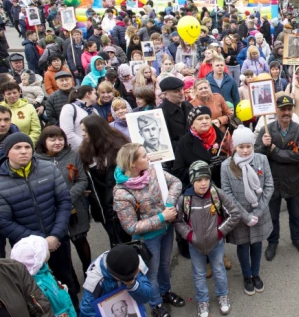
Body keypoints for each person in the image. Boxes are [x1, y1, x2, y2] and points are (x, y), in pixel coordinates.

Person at [0, 133, 79, 310]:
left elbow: (64, 202)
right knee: (34, 290)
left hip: (57, 240)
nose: (23, 151)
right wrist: (40, 243)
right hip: (26, 250)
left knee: (66, 281)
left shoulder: (48, 169)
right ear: (7, 152)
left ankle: (75, 311)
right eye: (17, 148)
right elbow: (4, 221)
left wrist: (55, 235)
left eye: (27, 147)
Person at [113, 143, 184, 317]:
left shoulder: (152, 171)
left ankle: (165, 291)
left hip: (166, 229)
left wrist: (169, 204)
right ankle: (155, 304)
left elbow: (175, 182)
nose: (149, 158)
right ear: (133, 164)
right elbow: (130, 227)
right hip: (149, 238)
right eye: (144, 156)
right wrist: (162, 217)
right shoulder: (121, 193)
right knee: (152, 272)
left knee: (165, 265)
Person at [174, 160, 240, 315]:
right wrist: (190, 235)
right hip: (195, 245)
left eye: (206, 179)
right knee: (198, 274)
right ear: (192, 180)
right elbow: (178, 221)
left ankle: (222, 295)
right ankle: (202, 301)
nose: (203, 184)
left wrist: (219, 232)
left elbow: (234, 214)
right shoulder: (185, 199)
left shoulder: (217, 195)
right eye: (198, 180)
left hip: (216, 243)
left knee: (219, 270)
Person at [255, 94, 299, 260]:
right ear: (276, 110)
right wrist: (264, 147)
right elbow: (257, 155)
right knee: (272, 216)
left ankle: (297, 239)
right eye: (283, 109)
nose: (286, 112)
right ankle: (273, 242)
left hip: (293, 182)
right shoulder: (266, 130)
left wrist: (274, 151)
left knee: (296, 214)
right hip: (273, 182)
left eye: (289, 109)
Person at [221, 126, 274, 296]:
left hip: (259, 212)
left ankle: (256, 273)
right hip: (239, 215)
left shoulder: (261, 160)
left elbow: (269, 186)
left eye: (248, 146)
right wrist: (245, 216)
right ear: (235, 146)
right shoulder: (226, 166)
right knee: (243, 245)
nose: (245, 151)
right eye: (241, 147)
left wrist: (257, 213)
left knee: (257, 243)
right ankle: (247, 276)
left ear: (253, 145)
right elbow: (227, 194)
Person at [34, 126, 91, 277]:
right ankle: (70, 277)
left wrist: (67, 198)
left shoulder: (72, 155)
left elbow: (82, 180)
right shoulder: (36, 160)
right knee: (61, 245)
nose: (57, 142)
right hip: (51, 209)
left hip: (74, 206)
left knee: (80, 240)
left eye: (60, 139)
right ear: (44, 141)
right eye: (52, 139)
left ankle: (89, 271)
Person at [78, 115, 131, 247]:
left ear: (96, 131)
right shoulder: (85, 150)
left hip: (119, 204)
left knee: (125, 239)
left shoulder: (118, 149)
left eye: (85, 131)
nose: (83, 134)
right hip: (100, 205)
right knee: (114, 238)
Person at [10, 236, 76, 317]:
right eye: (45, 249)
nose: (48, 250)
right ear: (38, 259)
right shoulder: (38, 287)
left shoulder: (42, 270)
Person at [79, 245, 152, 317]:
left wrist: (132, 284)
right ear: (112, 274)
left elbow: (146, 297)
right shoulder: (95, 281)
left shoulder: (134, 261)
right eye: (123, 278)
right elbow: (87, 312)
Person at [60, 85, 99, 150]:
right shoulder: (69, 108)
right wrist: (86, 146)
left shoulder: (94, 110)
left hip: (96, 149)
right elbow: (67, 133)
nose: (97, 96)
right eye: (95, 93)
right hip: (78, 151)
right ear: (88, 94)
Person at [159, 77, 193, 150]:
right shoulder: (160, 113)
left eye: (182, 89)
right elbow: (165, 141)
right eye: (176, 91)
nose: (181, 93)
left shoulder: (188, 105)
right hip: (177, 153)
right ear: (166, 95)